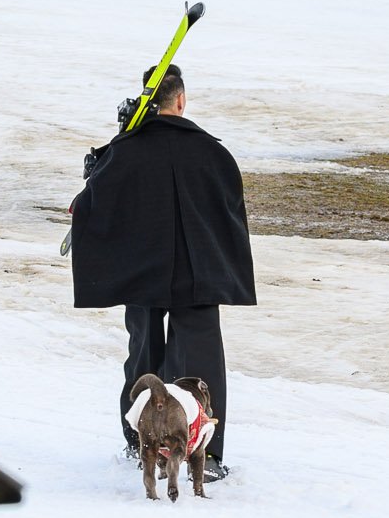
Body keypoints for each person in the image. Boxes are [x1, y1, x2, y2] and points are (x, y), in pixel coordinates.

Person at [70, 63, 256, 480]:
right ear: (181, 100)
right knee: (199, 362)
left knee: (145, 357)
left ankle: (143, 446)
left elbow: (91, 208)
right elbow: (229, 212)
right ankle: (204, 456)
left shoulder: (125, 151)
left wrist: (100, 164)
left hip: (142, 271)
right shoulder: (213, 152)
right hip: (200, 271)